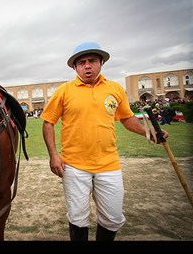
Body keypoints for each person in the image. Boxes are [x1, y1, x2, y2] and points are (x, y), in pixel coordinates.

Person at [40, 42, 169, 241]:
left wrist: (149, 133)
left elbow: (127, 118)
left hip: (109, 164)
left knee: (113, 218)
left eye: (92, 61)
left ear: (101, 62)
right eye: (81, 62)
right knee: (78, 218)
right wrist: (54, 156)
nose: (87, 66)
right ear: (75, 67)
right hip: (74, 165)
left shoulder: (115, 88)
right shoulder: (64, 91)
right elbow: (48, 122)